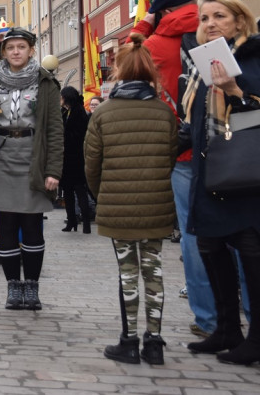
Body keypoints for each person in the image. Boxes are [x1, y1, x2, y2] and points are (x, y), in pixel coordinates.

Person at [84, 33, 178, 365]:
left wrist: (103, 195)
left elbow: (91, 165)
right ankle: (154, 343)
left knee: (128, 273)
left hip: (118, 206)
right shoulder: (164, 112)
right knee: (154, 272)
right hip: (156, 205)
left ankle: (129, 341)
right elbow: (170, 159)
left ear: (118, 71)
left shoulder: (103, 113)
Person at [132, 0, 214, 338]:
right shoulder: (218, 32)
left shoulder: (154, 44)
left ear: (163, 11)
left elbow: (128, 64)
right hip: (226, 146)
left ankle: (208, 318)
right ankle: (247, 310)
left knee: (193, 233)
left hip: (182, 148)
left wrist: (146, 21)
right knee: (241, 232)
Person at [183, 0, 260, 364]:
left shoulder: (253, 57)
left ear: (239, 21)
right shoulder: (203, 64)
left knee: (251, 253)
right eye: (204, 18)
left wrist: (234, 91)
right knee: (210, 247)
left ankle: (257, 339)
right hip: (209, 171)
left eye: (220, 16)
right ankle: (228, 329)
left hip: (244, 175)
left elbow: (254, 115)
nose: (210, 23)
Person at [0, 27, 63, 311]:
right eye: (10, 47)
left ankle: (32, 287)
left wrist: (53, 171)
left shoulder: (45, 82)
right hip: (1, 158)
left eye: (21, 47)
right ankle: (13, 286)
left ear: (31, 50)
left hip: (33, 157)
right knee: (7, 226)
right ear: (3, 52)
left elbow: (55, 130)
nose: (15, 52)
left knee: (32, 226)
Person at [59, 86, 92, 234]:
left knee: (80, 190)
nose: (60, 99)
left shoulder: (79, 112)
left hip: (77, 158)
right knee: (67, 191)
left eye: (62, 97)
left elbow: (79, 134)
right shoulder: (65, 111)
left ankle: (86, 222)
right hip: (66, 158)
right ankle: (71, 220)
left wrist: (65, 136)